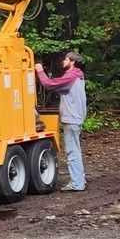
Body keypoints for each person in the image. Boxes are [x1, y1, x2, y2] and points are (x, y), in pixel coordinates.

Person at [36, 49, 87, 191]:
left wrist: (40, 71)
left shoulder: (71, 76)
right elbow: (62, 90)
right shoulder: (78, 76)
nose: (63, 61)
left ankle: (77, 183)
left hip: (71, 118)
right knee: (75, 149)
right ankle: (80, 179)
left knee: (72, 151)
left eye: (66, 59)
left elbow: (49, 85)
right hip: (76, 117)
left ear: (73, 62)